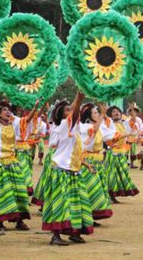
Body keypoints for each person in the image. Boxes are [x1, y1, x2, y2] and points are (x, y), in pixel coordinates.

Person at [42, 92, 94, 246]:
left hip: (72, 170)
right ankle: (55, 235)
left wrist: (85, 165)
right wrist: (79, 98)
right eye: (67, 110)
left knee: (76, 202)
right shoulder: (65, 125)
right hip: (61, 170)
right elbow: (75, 112)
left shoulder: (73, 127)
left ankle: (74, 232)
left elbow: (76, 152)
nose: (70, 112)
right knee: (61, 203)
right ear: (61, 115)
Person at [0, 99, 37, 233]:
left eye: (8, 109)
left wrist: (36, 106)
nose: (7, 111)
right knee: (2, 192)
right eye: (3, 110)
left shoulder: (13, 124)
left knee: (19, 190)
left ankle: (19, 220)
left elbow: (26, 120)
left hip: (13, 161)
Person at [79, 103, 115, 223]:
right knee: (91, 189)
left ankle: (91, 216)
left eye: (98, 112)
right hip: (87, 161)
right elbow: (93, 131)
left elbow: (110, 136)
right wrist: (103, 114)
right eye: (95, 113)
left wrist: (128, 136)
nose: (98, 114)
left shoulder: (99, 127)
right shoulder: (84, 127)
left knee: (96, 189)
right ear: (88, 116)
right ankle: (85, 216)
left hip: (98, 161)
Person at [105, 105, 139, 203]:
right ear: (110, 115)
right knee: (112, 175)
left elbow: (134, 121)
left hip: (121, 153)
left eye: (118, 112)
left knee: (120, 175)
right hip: (112, 152)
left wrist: (132, 110)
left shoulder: (123, 124)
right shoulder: (109, 123)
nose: (117, 113)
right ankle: (109, 195)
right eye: (114, 112)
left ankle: (113, 196)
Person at [125, 103, 142, 169]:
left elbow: (139, 128)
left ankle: (132, 163)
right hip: (127, 137)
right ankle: (125, 162)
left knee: (133, 151)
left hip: (134, 137)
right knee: (126, 151)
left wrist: (139, 137)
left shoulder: (139, 120)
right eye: (132, 111)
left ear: (137, 112)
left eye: (135, 111)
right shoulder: (127, 119)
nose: (133, 112)